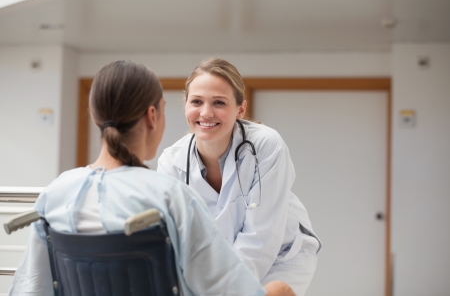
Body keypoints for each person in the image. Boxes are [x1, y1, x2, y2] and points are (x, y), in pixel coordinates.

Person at [8, 60, 295, 296]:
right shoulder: (170, 197)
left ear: (96, 117)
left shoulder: (56, 195)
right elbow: (228, 289)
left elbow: (30, 287)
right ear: (152, 116)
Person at [157, 58, 322, 296]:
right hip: (215, 268)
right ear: (185, 106)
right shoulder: (171, 163)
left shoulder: (266, 145)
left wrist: (223, 289)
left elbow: (261, 238)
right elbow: (174, 241)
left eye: (219, 102)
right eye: (196, 101)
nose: (206, 112)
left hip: (281, 258)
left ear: (240, 109)